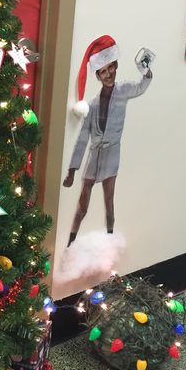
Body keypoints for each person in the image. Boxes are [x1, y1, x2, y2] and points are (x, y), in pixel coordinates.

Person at [64, 35, 152, 245]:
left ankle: (110, 237)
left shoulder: (123, 91)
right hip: (95, 155)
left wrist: (147, 71)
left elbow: (141, 86)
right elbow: (83, 138)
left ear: (115, 66)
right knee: (82, 203)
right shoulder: (93, 104)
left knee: (109, 200)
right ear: (98, 75)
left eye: (111, 68)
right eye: (103, 71)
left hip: (112, 153)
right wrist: (72, 171)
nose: (108, 74)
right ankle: (70, 241)